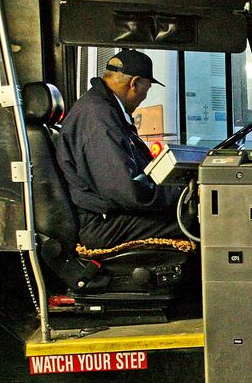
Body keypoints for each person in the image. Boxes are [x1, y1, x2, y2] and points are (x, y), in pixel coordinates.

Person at [57, 49, 184, 249]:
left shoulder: (104, 110)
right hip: (103, 224)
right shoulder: (98, 118)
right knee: (194, 221)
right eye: (147, 89)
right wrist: (180, 194)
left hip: (112, 216)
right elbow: (126, 190)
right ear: (134, 83)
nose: (145, 96)